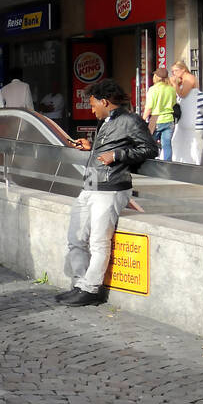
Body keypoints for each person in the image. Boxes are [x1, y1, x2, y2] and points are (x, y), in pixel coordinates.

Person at [58, 79, 157, 307]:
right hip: (91, 186)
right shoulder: (106, 121)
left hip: (111, 187)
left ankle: (92, 289)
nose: (92, 109)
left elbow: (150, 148)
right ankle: (80, 284)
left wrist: (118, 156)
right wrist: (89, 147)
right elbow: (107, 148)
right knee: (76, 237)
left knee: (98, 241)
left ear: (104, 101)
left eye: (94, 104)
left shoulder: (130, 121)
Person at [170, 61, 203, 167]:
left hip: (192, 116)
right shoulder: (184, 80)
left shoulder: (189, 78)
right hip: (187, 116)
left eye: (175, 70)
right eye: (172, 71)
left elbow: (183, 94)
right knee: (180, 141)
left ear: (183, 69)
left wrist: (175, 84)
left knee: (194, 145)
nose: (173, 73)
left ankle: (195, 163)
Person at [143, 66, 176, 161]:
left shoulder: (153, 89)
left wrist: (142, 120)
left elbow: (149, 107)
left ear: (156, 77)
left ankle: (150, 162)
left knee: (150, 143)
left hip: (155, 118)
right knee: (167, 145)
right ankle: (168, 165)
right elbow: (173, 103)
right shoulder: (171, 89)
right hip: (169, 118)